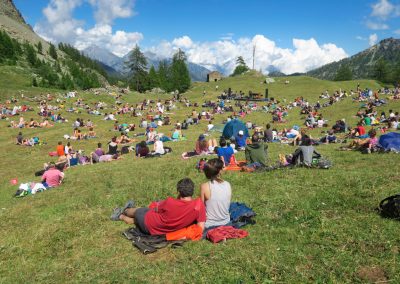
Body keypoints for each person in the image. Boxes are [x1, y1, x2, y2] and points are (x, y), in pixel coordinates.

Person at [111, 178, 206, 235]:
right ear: (192, 190)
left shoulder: (170, 202)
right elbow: (200, 228)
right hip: (157, 231)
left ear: (178, 191)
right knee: (137, 219)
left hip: (148, 222)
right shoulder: (198, 205)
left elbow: (155, 208)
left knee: (140, 210)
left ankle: (124, 211)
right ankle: (121, 216)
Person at [200, 158, 232, 230]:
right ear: (220, 171)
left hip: (209, 224)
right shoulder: (228, 184)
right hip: (226, 221)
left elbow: (201, 208)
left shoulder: (205, 186)